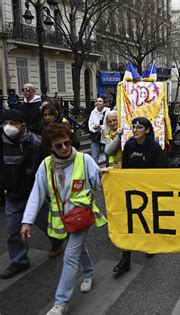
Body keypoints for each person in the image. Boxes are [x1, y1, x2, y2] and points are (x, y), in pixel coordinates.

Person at [20, 123, 108, 315]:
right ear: (51, 147)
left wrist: (101, 176)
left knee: (69, 256)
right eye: (58, 145)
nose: (64, 147)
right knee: (77, 249)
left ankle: (61, 303)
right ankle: (89, 273)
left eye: (67, 143)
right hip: (62, 218)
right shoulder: (46, 165)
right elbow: (37, 193)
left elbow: (97, 184)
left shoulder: (84, 160)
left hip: (81, 216)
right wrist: (27, 221)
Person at [0, 110, 63, 279]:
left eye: (12, 123)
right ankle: (19, 260)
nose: (8, 127)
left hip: (35, 195)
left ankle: (57, 242)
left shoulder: (36, 143)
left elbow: (49, 165)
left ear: (22, 125)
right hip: (12, 195)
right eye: (5, 123)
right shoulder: (2, 144)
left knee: (47, 223)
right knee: (14, 229)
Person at [112, 117, 168, 275]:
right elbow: (126, 169)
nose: (135, 130)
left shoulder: (155, 148)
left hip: (149, 193)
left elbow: (162, 171)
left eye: (139, 127)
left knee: (147, 220)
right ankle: (125, 258)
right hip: (132, 192)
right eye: (133, 127)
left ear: (147, 130)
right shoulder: (129, 145)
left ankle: (149, 245)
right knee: (129, 223)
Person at [88, 97, 110, 164]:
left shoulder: (108, 112)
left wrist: (100, 127)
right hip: (96, 137)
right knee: (94, 158)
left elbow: (109, 125)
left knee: (108, 156)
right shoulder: (93, 112)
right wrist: (94, 127)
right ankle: (95, 174)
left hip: (106, 136)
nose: (97, 102)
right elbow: (90, 125)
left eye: (100, 101)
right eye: (96, 101)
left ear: (104, 104)